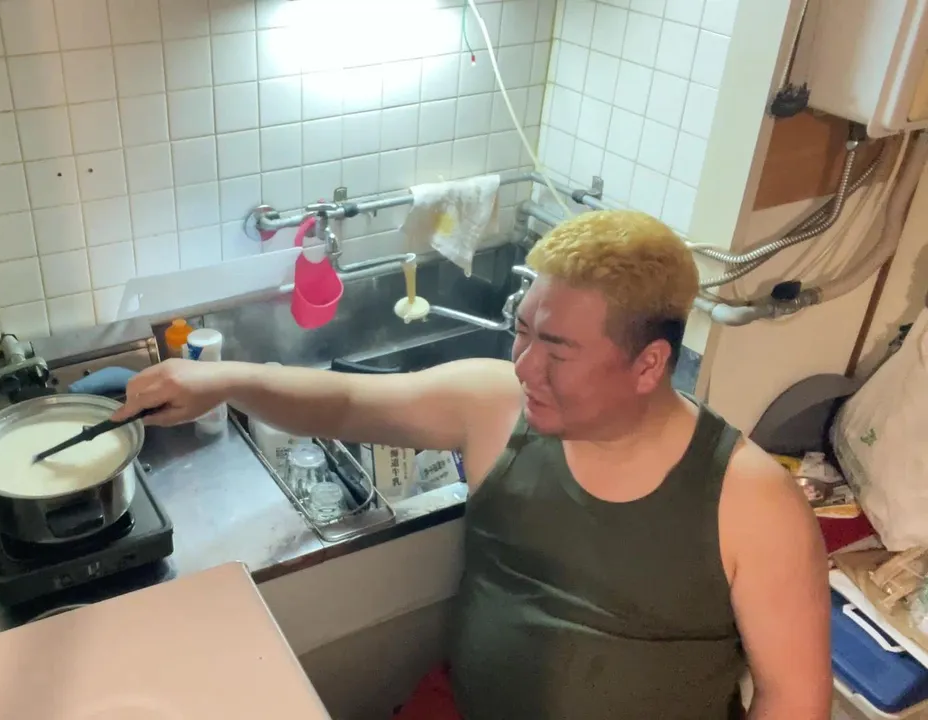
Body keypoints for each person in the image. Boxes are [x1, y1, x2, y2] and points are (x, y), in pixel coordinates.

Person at [113, 210, 831, 719]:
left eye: (557, 350)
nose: (525, 365)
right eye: (522, 331)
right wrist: (223, 379)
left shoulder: (752, 502)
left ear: (649, 364)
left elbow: (794, 702)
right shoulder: (498, 405)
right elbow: (346, 403)